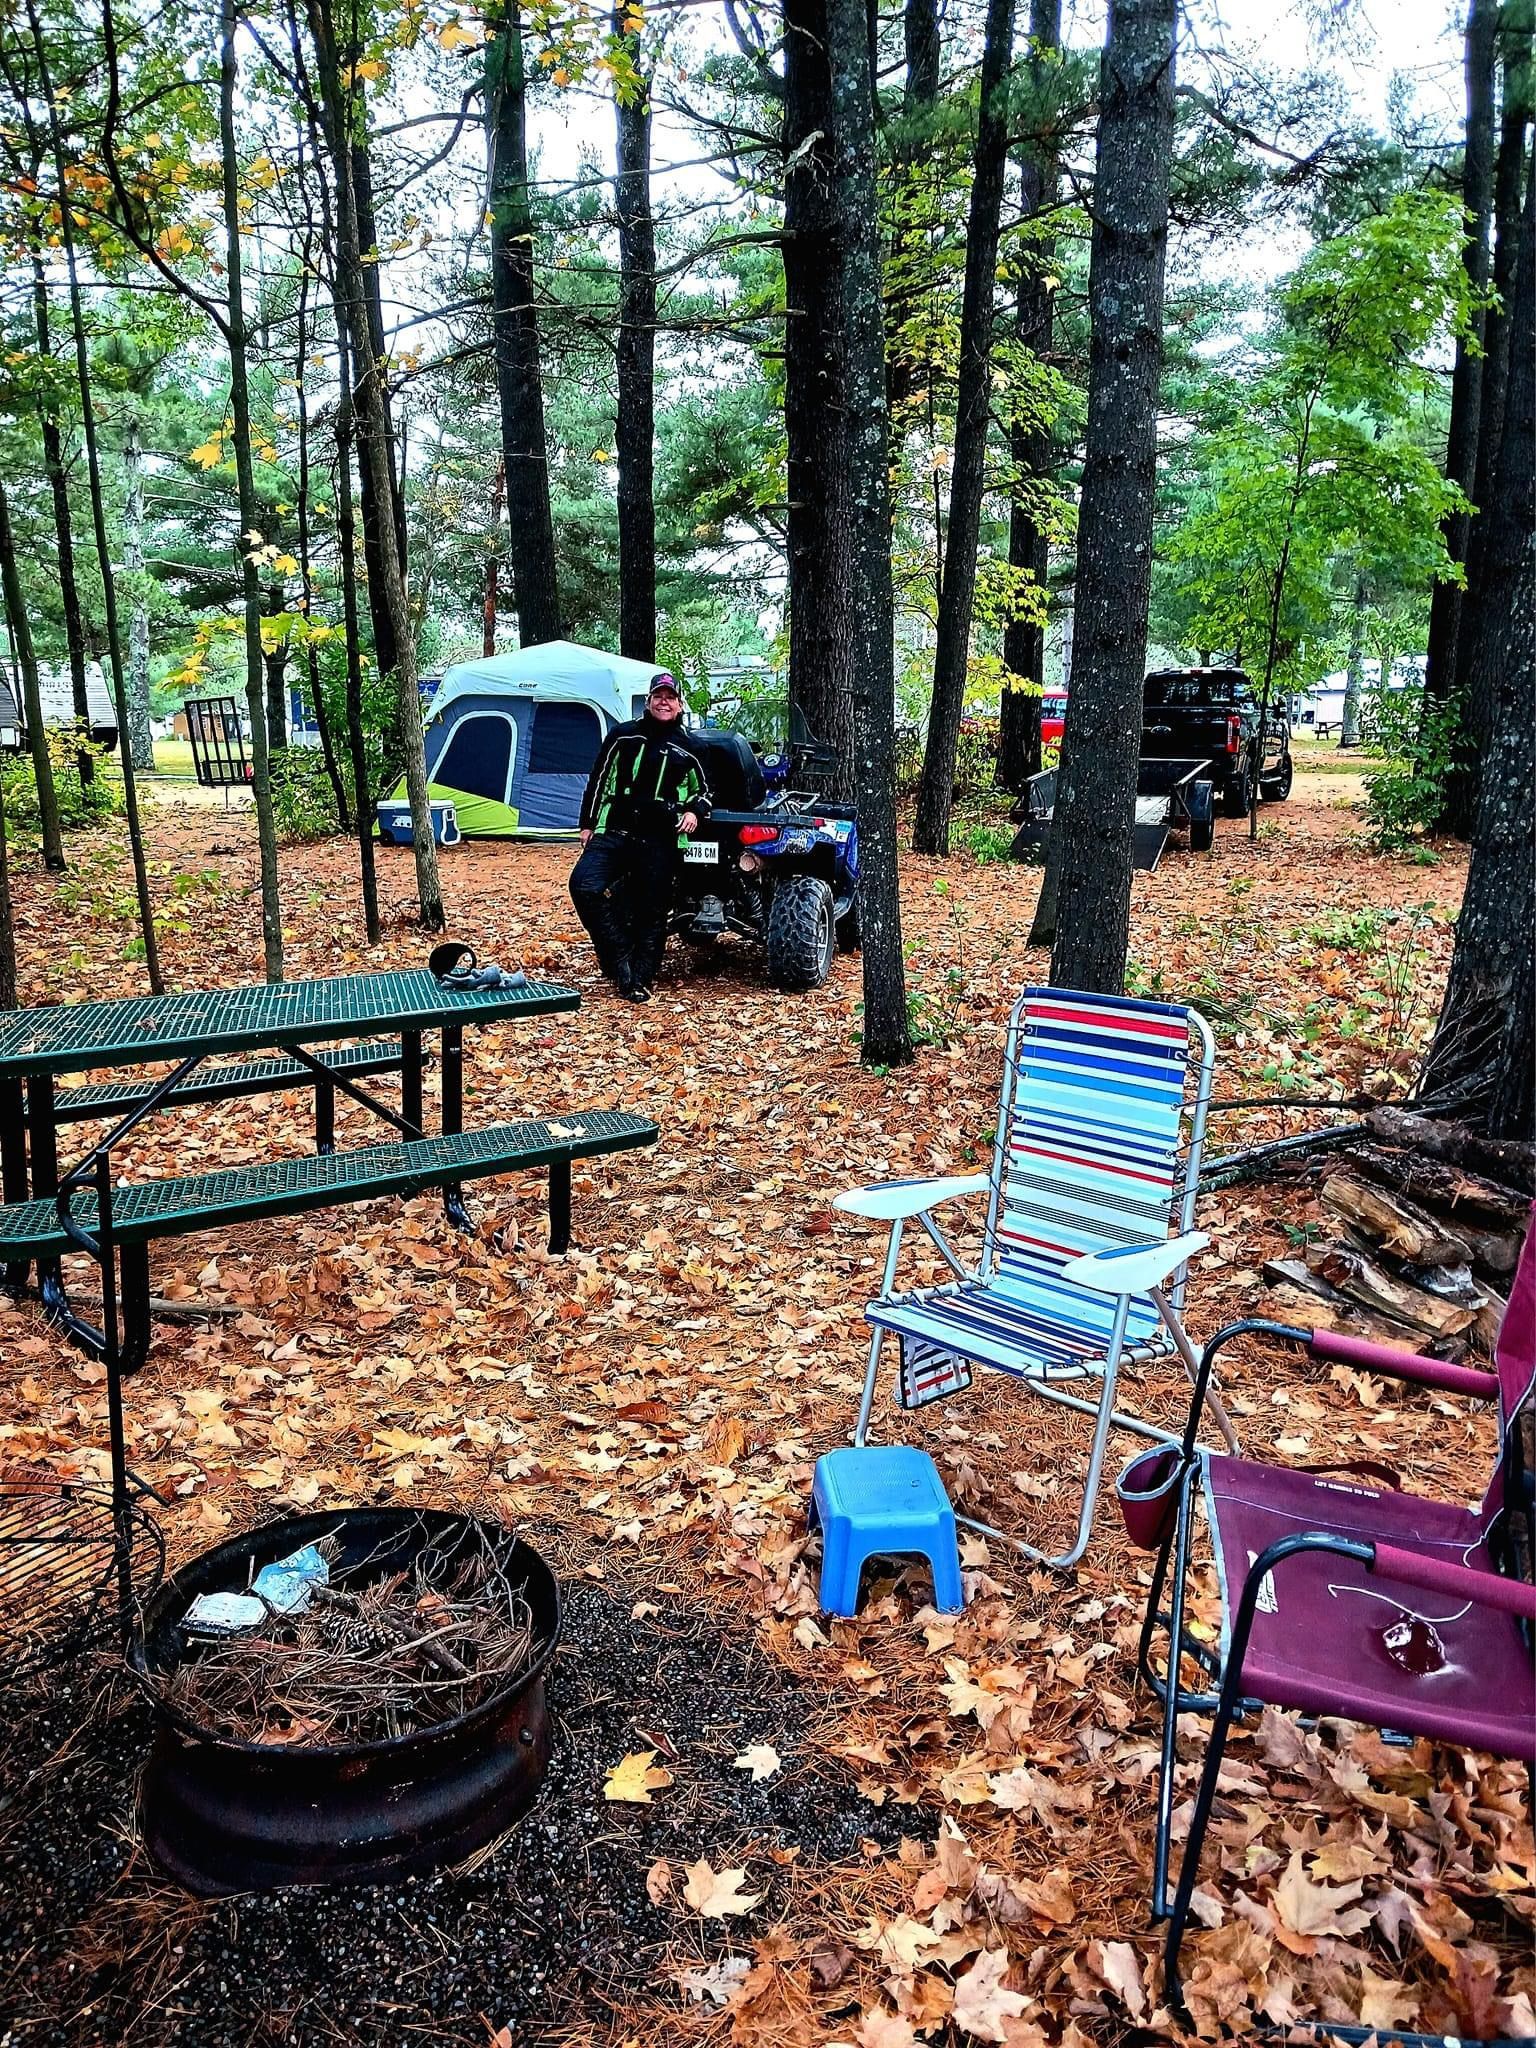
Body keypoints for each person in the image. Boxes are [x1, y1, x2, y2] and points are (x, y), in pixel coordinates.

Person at [569, 673, 712, 1002]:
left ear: (679, 704)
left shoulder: (692, 747)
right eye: (658, 696)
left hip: (660, 839)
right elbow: (598, 778)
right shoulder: (622, 735)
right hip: (615, 831)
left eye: (670, 697)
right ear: (648, 701)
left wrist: (695, 811)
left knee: (652, 910)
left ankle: (639, 979)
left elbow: (706, 791)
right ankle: (619, 953)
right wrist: (587, 824)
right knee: (584, 886)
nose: (664, 702)